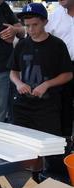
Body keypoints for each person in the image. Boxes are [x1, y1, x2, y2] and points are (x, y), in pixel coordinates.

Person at [9, 3, 73, 180]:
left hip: (48, 106)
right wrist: (18, 83)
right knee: (27, 148)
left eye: (35, 25)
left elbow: (68, 74)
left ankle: (54, 181)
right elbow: (13, 72)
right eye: (27, 26)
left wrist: (47, 84)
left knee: (51, 148)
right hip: (23, 106)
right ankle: (34, 179)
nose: (31, 29)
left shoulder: (57, 45)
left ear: (45, 22)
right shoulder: (21, 45)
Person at [45, 0, 74, 137]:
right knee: (64, 105)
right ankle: (65, 144)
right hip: (62, 66)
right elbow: (43, 35)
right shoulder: (56, 15)